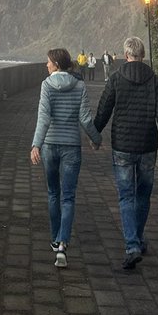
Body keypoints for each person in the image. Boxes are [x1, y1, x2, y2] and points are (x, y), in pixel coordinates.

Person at [94, 36, 158, 270]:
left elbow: (103, 110)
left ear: (125, 54)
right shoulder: (155, 81)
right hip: (148, 146)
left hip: (122, 144)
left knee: (126, 196)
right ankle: (138, 239)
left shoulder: (116, 79)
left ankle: (132, 245)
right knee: (143, 195)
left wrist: (95, 134)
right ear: (142, 55)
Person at [30, 48, 102, 268]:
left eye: (48, 62)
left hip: (50, 145)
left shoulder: (46, 85)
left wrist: (36, 144)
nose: (46, 65)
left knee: (53, 192)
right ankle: (63, 243)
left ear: (56, 64)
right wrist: (96, 139)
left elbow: (43, 117)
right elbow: (85, 118)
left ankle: (54, 239)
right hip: (72, 145)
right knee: (68, 197)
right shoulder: (79, 85)